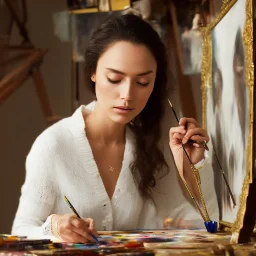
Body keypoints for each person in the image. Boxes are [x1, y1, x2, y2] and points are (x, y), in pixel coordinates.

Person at [12, 14, 218, 243]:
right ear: (93, 72)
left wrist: (193, 169)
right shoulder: (53, 145)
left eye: (142, 82)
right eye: (114, 79)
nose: (127, 96)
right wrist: (54, 228)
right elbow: (21, 231)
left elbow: (199, 226)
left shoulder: (151, 144)